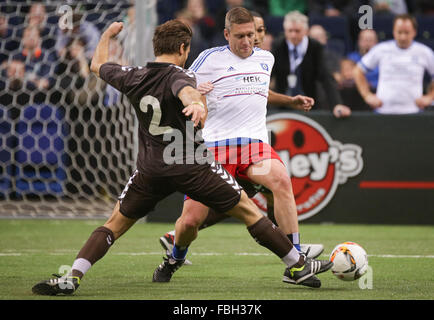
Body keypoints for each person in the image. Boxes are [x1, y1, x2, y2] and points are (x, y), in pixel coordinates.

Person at [31, 19, 333, 296]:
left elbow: (98, 64)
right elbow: (186, 91)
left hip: (150, 170)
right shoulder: (183, 76)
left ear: (154, 47)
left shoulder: (132, 75)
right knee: (248, 210)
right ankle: (297, 265)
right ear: (182, 48)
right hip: (191, 165)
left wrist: (109, 34)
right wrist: (196, 106)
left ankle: (73, 276)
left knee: (114, 225)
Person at [159, 9, 325, 263]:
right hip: (213, 147)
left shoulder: (266, 59)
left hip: (253, 146)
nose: (247, 41)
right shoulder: (209, 58)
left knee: (280, 181)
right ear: (227, 34)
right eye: (240, 36)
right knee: (192, 220)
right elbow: (180, 84)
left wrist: (291, 101)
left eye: (251, 35)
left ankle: (296, 256)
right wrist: (196, 93)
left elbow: (257, 90)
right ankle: (175, 255)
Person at [271, 11, 351, 118]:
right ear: (285, 31)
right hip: (283, 103)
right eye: (290, 31)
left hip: (309, 102)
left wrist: (336, 104)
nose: (293, 35)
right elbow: (269, 74)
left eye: (297, 31)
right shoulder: (278, 45)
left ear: (306, 31)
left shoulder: (315, 47)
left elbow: (326, 77)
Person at [354, 14, 434, 114]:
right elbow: (358, 70)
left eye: (407, 32)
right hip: (383, 111)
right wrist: (366, 95)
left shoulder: (424, 52)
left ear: (414, 32)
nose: (403, 37)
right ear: (393, 31)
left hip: (414, 112)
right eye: (399, 32)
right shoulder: (381, 49)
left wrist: (430, 97)